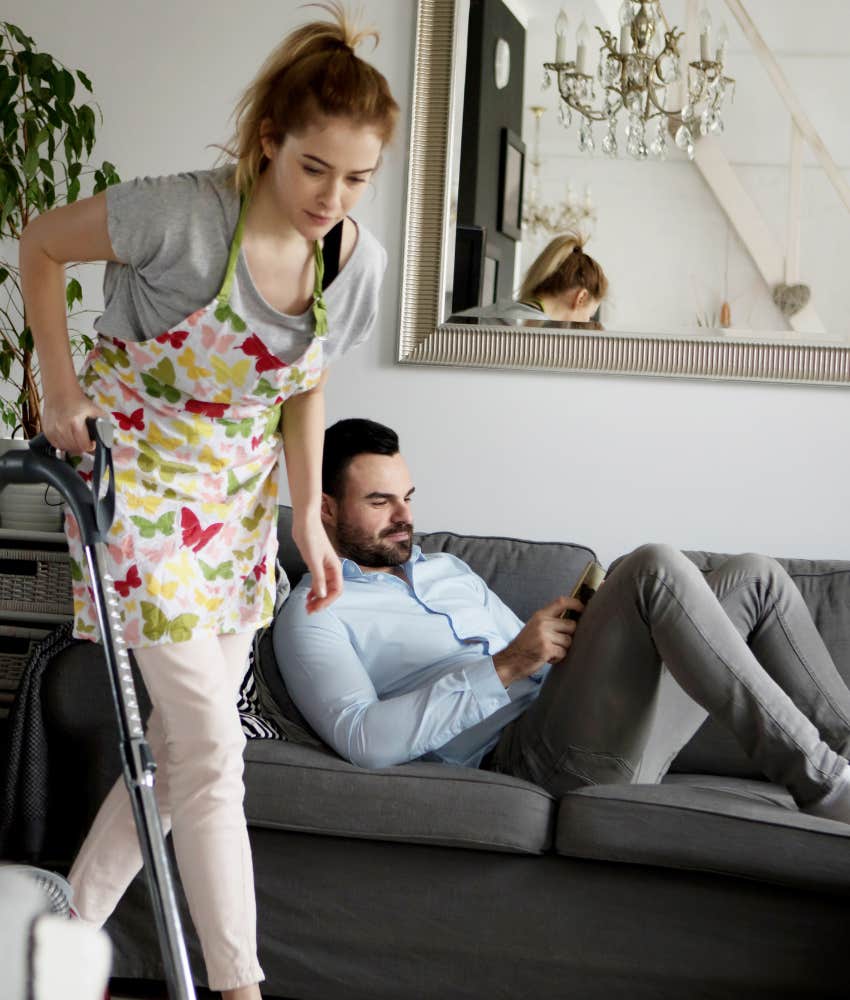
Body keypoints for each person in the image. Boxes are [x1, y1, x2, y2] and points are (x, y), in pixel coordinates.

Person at [20, 5, 399, 997]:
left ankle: (63, 936)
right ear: (270, 140)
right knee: (213, 750)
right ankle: (239, 986)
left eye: (357, 176)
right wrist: (58, 389)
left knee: (187, 750)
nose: (333, 195)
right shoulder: (180, 214)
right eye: (314, 166)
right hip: (134, 472)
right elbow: (41, 244)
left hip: (229, 498)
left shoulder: (355, 262)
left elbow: (306, 380)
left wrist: (307, 515)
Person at [273, 418, 850, 829]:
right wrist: (506, 665)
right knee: (652, 566)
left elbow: (533, 662)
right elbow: (364, 740)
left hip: (593, 729)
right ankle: (825, 785)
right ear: (325, 508)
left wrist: (573, 638)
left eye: (408, 497)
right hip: (529, 762)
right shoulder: (314, 614)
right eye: (380, 503)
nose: (406, 519)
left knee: (756, 577)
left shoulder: (447, 568)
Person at [456, 233, 608, 324]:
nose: (587, 322)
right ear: (581, 297)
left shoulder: (485, 314)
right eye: (589, 315)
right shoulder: (541, 342)